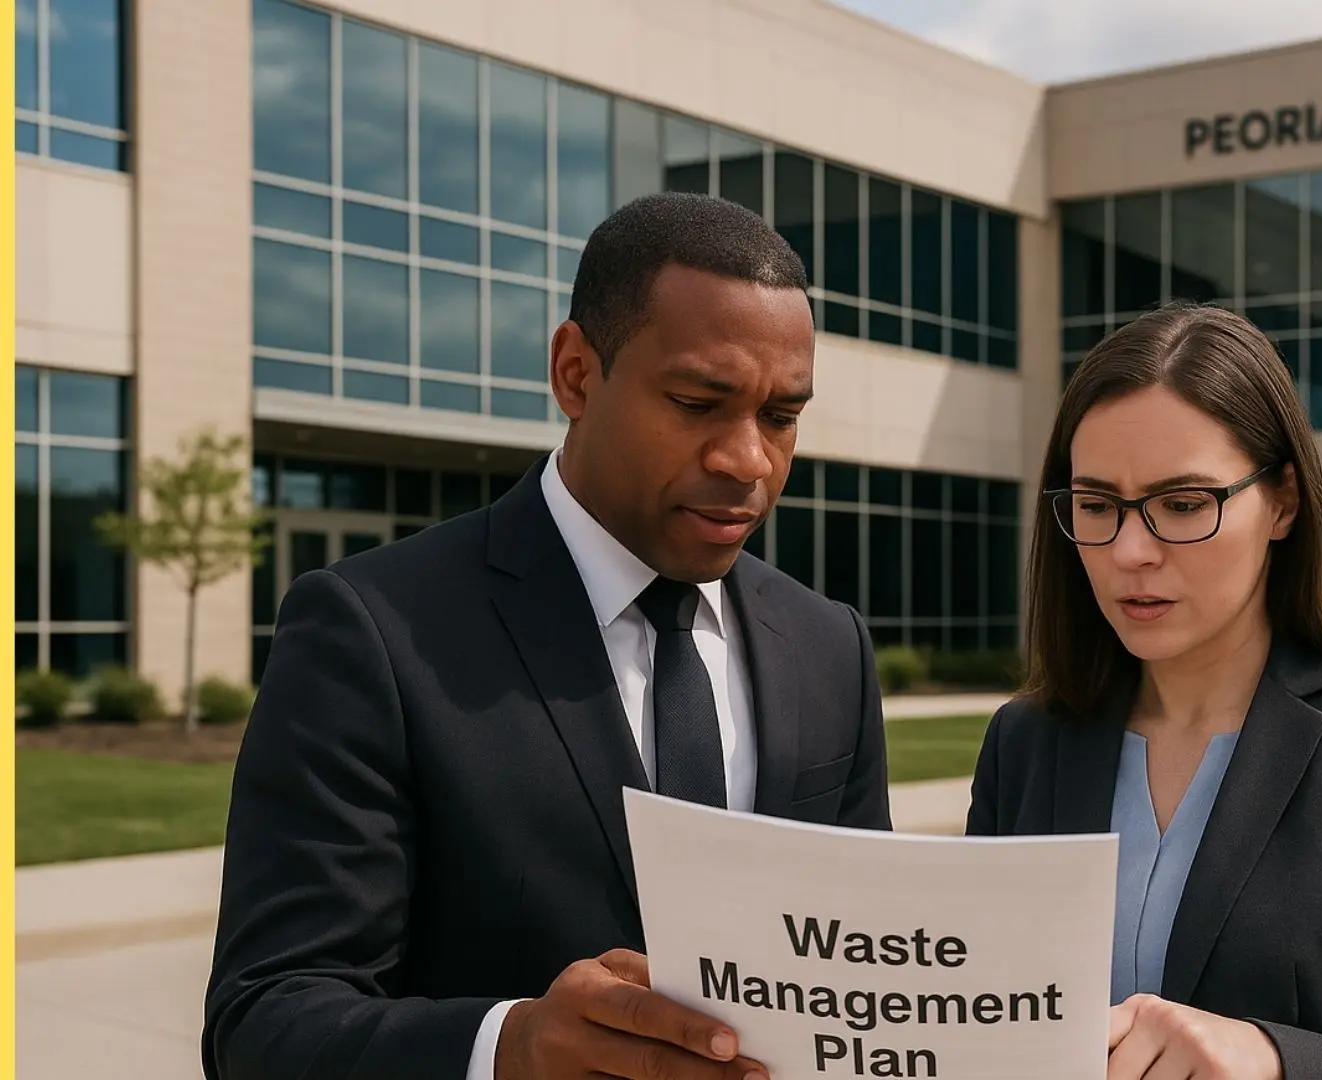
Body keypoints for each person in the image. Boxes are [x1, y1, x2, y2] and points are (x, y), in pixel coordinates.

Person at [204, 193, 892, 1080]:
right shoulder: (371, 632)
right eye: (696, 401)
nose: (748, 461)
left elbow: (866, 982)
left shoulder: (829, 646)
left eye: (780, 417)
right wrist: (508, 1048)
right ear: (575, 372)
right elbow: (265, 1022)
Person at [966, 303, 1322, 1080]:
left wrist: (1271, 1060)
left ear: (1285, 502)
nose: (1131, 551)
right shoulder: (1025, 743)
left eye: (1184, 505)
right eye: (1096, 506)